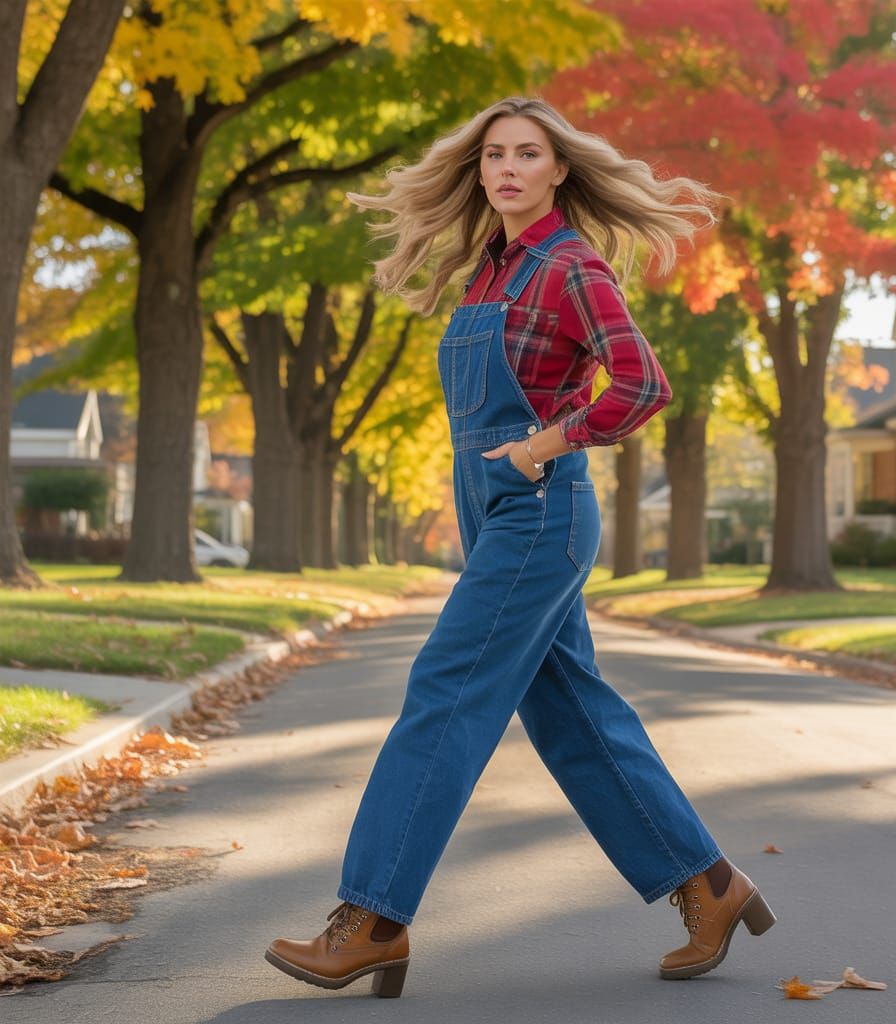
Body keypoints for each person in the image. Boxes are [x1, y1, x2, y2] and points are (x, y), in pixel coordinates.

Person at [264, 96, 775, 999]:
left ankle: (372, 917)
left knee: (444, 690)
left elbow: (643, 385)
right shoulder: (491, 274)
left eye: (526, 154)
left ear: (558, 171)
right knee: (570, 715)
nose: (506, 168)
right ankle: (711, 885)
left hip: (539, 513)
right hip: (493, 514)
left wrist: (546, 443)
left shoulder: (570, 264)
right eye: (494, 155)